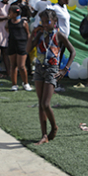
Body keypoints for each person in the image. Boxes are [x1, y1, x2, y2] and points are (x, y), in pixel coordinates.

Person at [27, 8, 76, 145]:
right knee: (40, 104)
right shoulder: (40, 35)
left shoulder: (59, 35)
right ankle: (44, 135)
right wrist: (33, 34)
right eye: (42, 22)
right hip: (38, 69)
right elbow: (27, 49)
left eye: (47, 21)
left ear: (54, 21)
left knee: (45, 103)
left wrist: (64, 69)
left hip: (51, 69)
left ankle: (54, 127)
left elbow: (73, 52)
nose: (44, 24)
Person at [6, 4, 31, 91]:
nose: (9, 14)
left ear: (15, 14)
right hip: (12, 45)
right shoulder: (9, 22)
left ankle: (26, 83)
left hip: (22, 45)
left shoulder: (24, 22)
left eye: (10, 12)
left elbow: (28, 34)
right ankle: (14, 84)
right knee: (13, 65)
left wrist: (29, 45)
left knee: (21, 66)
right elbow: (7, 29)